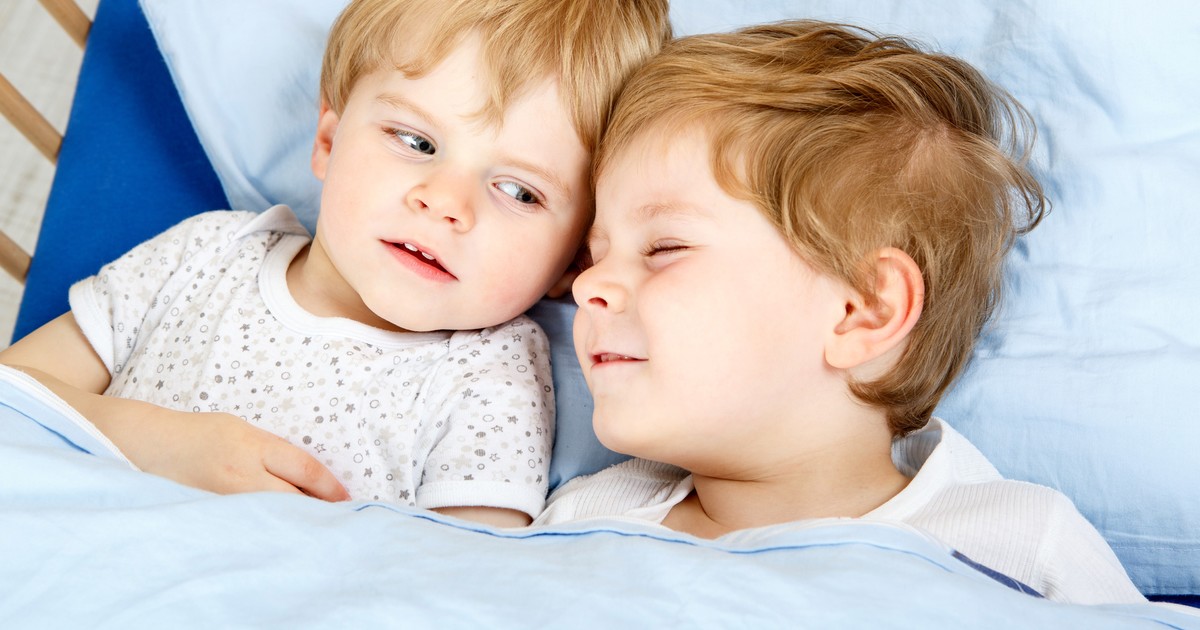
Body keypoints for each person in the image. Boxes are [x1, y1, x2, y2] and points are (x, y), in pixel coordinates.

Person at [533, 20, 1147, 604]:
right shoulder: (583, 525)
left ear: (863, 310)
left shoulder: (1020, 550)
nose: (588, 286)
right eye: (593, 255)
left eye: (665, 248)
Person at [0, 0, 670, 528]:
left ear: (572, 263)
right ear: (327, 140)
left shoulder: (490, 378)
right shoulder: (205, 253)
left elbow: (458, 584)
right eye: (416, 141)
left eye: (520, 192)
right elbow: (12, 396)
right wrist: (152, 442)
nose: (445, 203)